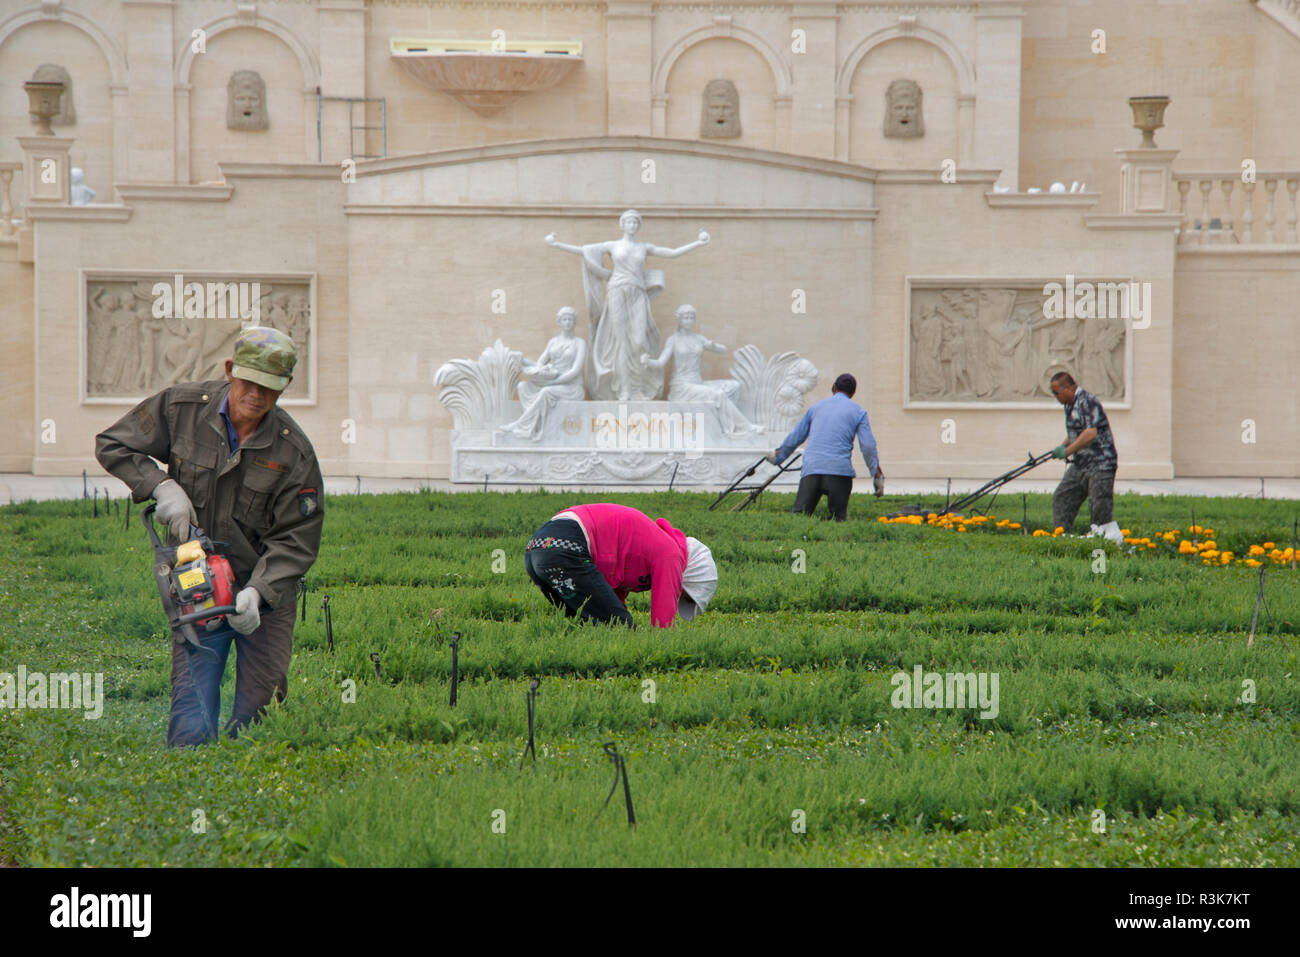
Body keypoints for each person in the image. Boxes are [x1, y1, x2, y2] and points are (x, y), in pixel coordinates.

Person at [95, 326, 324, 747]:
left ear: (285, 387)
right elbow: (113, 443)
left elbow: (297, 538)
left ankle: (251, 798)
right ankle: (191, 789)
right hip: (197, 579)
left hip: (264, 597)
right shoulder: (180, 408)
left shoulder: (294, 453)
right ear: (230, 370)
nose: (257, 396)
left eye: (270, 389)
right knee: (191, 710)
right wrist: (161, 485)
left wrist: (258, 591)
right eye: (249, 383)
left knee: (261, 709)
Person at [545, 210, 709, 402]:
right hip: (616, 291)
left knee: (639, 341)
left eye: (635, 222)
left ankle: (637, 388)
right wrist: (557, 245)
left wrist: (698, 243)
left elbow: (672, 253)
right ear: (622, 224)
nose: (631, 225)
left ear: (638, 225)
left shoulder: (644, 247)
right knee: (622, 341)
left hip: (638, 293)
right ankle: (623, 389)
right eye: (628, 222)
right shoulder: (612, 245)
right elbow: (585, 250)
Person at [524, 503, 717, 629]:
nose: (678, 595)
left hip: (538, 548)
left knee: (592, 627)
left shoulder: (650, 543)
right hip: (567, 546)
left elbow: (609, 596)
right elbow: (662, 626)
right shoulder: (671, 554)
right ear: (688, 573)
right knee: (622, 628)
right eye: (683, 593)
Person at [768, 373, 883, 522]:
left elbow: (796, 436)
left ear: (834, 388)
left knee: (799, 518)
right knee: (837, 520)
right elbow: (868, 446)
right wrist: (876, 473)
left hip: (812, 470)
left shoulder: (815, 408)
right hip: (840, 473)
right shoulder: (859, 412)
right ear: (853, 393)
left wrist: (779, 456)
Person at [640, 303, 759, 434]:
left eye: (691, 317)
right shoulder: (673, 340)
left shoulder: (699, 339)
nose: (689, 320)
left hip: (697, 383)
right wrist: (647, 361)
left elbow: (724, 350)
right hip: (682, 386)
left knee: (733, 386)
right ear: (679, 319)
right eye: (686, 317)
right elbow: (660, 362)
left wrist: (713, 345)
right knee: (718, 394)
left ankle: (725, 428)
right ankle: (744, 427)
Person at [1049, 371, 1119, 539]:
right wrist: (1063, 445)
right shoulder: (1070, 404)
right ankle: (1063, 539)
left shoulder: (1086, 401)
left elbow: (1090, 433)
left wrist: (1067, 451)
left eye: (1056, 392)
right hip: (1082, 463)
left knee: (1099, 509)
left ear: (1068, 388)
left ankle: (1103, 549)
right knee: (1062, 497)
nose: (1055, 396)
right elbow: (1077, 432)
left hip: (1101, 464)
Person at [502, 306, 587, 440]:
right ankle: (535, 423)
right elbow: (539, 365)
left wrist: (552, 383)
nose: (568, 322)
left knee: (546, 392)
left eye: (570, 319)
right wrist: (522, 360)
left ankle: (521, 426)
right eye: (564, 319)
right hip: (552, 383)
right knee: (523, 386)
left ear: (575, 322)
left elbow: (575, 370)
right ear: (559, 322)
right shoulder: (553, 342)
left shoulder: (579, 343)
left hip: (571, 387)